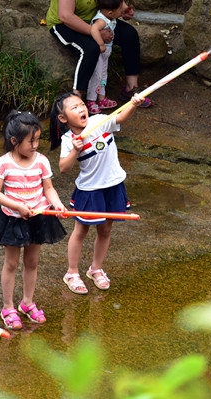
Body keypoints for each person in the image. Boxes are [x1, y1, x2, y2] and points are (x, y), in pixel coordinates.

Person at [49, 90, 145, 295]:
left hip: (113, 185)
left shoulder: (100, 120)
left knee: (105, 229)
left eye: (82, 104)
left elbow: (120, 116)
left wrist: (133, 104)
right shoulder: (69, 139)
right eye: (74, 107)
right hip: (90, 190)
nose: (81, 108)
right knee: (81, 230)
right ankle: (72, 272)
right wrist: (75, 150)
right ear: (63, 118)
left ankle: (96, 269)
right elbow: (63, 169)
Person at [45, 0, 153, 108]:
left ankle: (131, 88)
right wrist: (96, 33)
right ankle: (77, 100)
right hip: (66, 24)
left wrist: (122, 9)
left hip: (99, 20)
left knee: (130, 35)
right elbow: (66, 15)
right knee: (91, 48)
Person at [0, 111, 67, 328]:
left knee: (32, 263)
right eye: (30, 141)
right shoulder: (4, 163)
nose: (35, 145)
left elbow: (48, 188)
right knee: (11, 263)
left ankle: (27, 303)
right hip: (13, 218)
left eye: (38, 139)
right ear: (14, 141)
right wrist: (18, 206)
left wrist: (57, 204)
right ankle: (8, 307)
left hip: (38, 217)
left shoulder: (41, 161)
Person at [85, 0, 127, 115]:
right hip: (100, 53)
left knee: (103, 75)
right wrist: (101, 44)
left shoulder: (109, 18)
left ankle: (102, 99)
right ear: (110, 12)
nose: (121, 11)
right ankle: (91, 100)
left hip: (105, 54)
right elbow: (93, 30)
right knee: (96, 76)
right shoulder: (102, 20)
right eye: (120, 9)